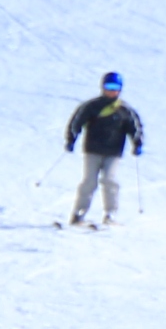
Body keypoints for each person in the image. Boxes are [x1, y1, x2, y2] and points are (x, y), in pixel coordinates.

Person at [63, 72, 144, 228]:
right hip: (92, 150)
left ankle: (110, 214)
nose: (111, 91)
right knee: (89, 181)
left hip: (113, 153)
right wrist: (71, 139)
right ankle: (78, 214)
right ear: (102, 87)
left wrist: (137, 142)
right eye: (108, 87)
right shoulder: (92, 106)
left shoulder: (124, 110)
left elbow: (135, 128)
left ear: (120, 90)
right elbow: (77, 121)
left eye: (115, 88)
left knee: (109, 180)